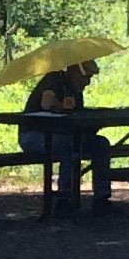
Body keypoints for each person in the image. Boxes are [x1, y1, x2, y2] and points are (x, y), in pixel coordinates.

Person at [17, 62, 110, 211]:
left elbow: (75, 116)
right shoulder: (53, 81)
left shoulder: (75, 90)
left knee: (101, 145)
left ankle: (102, 198)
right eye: (85, 77)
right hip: (34, 136)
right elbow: (47, 105)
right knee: (68, 146)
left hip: (63, 136)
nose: (87, 82)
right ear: (75, 71)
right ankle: (64, 199)